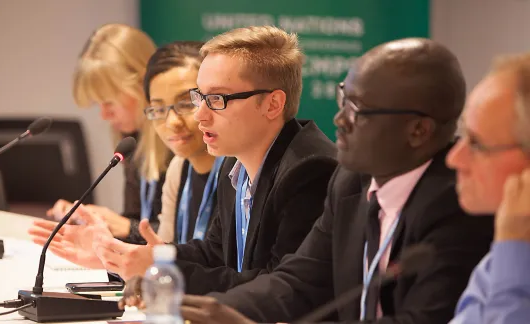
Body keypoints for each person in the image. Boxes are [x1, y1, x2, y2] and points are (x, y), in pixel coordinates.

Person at [151, 37, 495, 324]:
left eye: (358, 110)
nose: (340, 119)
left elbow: (421, 319)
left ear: (418, 130)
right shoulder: (350, 183)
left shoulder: (459, 204)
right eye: (344, 99)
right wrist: (218, 310)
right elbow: (298, 281)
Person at [92, 25, 339, 291]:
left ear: (273, 104)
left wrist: (163, 271)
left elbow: (281, 286)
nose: (200, 115)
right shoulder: (235, 162)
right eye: (200, 97)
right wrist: (153, 256)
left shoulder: (310, 171)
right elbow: (215, 253)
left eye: (218, 98)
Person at [28, 41, 225, 269]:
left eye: (185, 103)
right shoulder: (178, 167)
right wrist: (109, 258)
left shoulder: (237, 171)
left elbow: (228, 269)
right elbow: (164, 252)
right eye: (160, 109)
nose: (172, 121)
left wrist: (123, 239)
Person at [41, 23, 172, 244]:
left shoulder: (181, 141)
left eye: (109, 102)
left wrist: (125, 226)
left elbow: (191, 236)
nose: (103, 115)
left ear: (142, 84)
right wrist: (95, 221)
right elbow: (138, 221)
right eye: (98, 104)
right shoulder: (133, 141)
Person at [447, 53, 530, 324]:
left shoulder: (514, 250)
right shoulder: (499, 257)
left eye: (476, 144)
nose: (454, 159)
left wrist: (514, 249)